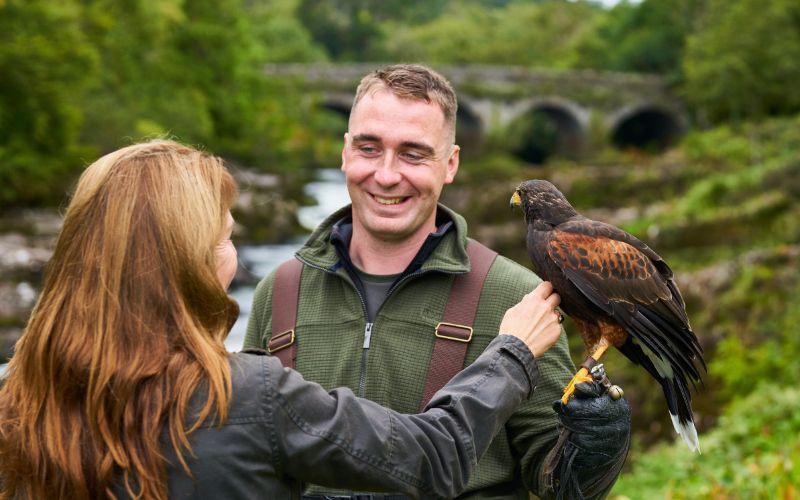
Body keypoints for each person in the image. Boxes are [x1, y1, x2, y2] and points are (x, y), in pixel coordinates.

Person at [0, 140, 569, 499]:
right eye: (226, 239)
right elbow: (434, 455)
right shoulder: (246, 396)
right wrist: (512, 352)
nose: (234, 257)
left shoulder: (15, 397)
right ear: (187, 262)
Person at [244, 64, 631, 499]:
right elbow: (251, 463)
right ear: (345, 153)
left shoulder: (518, 297)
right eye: (370, 148)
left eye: (413, 154)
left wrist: (597, 441)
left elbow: (562, 482)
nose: (387, 175)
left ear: (450, 164)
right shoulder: (277, 292)